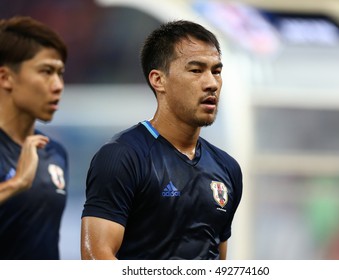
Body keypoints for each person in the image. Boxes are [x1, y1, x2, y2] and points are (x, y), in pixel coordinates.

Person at [81, 20, 243, 260]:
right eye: (196, 70)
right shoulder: (122, 157)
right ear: (159, 80)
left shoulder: (228, 168)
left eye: (216, 71)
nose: (211, 84)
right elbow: (96, 257)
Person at [0, 16, 68, 260]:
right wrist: (16, 184)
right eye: (46, 71)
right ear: (6, 77)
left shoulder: (55, 153)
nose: (58, 85)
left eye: (60, 73)